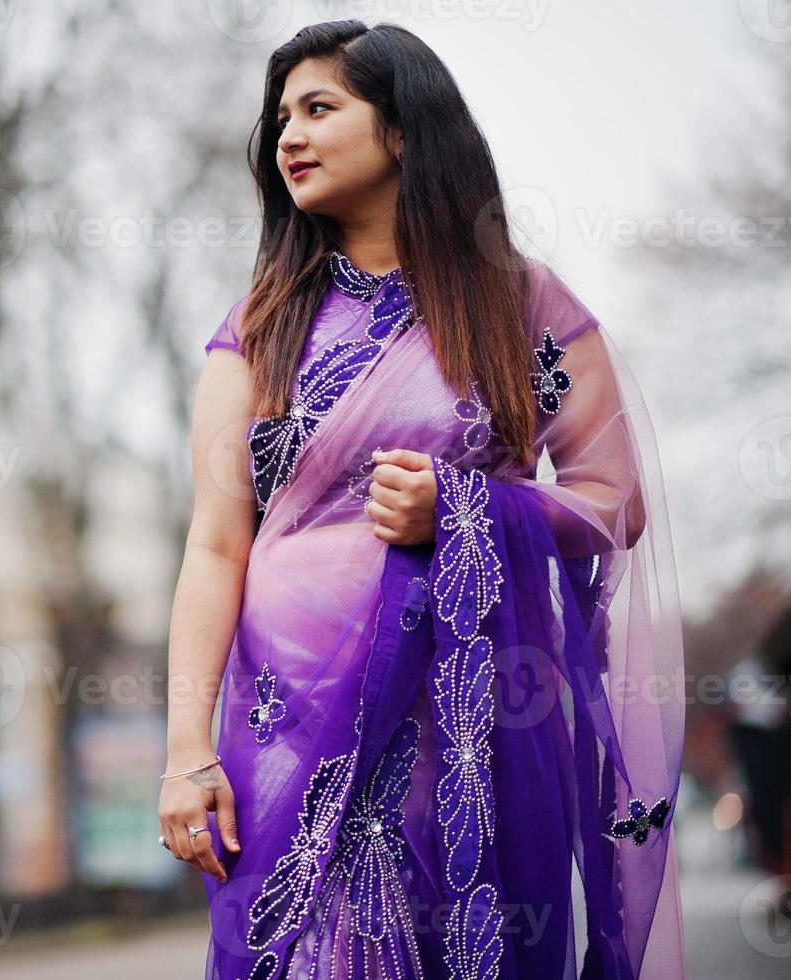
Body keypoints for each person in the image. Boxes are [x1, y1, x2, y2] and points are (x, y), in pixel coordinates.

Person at [158, 20, 685, 980]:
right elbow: (214, 547)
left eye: (319, 109)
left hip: (465, 718)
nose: (287, 137)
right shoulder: (260, 328)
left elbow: (613, 502)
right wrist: (187, 752)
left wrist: (469, 510)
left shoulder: (517, 306)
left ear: (402, 130)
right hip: (278, 729)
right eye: (280, 117)